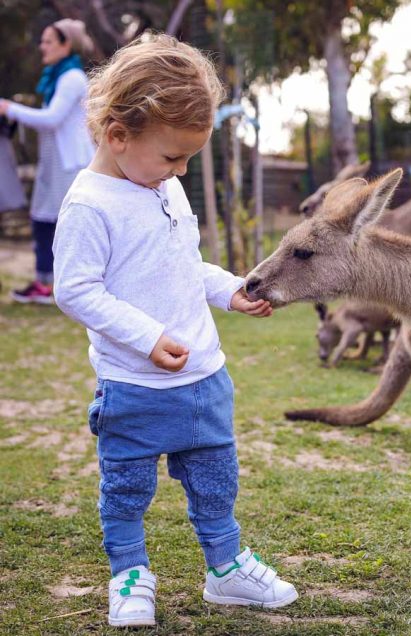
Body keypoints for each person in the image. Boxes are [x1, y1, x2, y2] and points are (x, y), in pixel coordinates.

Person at [51, 35, 297, 628]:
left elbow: (182, 262)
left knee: (217, 479)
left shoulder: (162, 185)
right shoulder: (89, 206)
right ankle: (130, 573)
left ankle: (226, 568)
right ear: (117, 134)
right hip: (134, 382)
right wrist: (146, 336)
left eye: (188, 159)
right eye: (171, 157)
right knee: (127, 488)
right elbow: (76, 290)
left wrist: (228, 291)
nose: (181, 170)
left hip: (204, 376)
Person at [0, 19, 95, 304]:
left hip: (70, 164)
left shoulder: (72, 78)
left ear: (67, 44)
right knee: (43, 220)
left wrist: (10, 108)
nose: (42, 46)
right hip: (55, 163)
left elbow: (52, 119)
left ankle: (58, 285)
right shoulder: (58, 76)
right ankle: (46, 281)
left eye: (49, 41)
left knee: (58, 222)